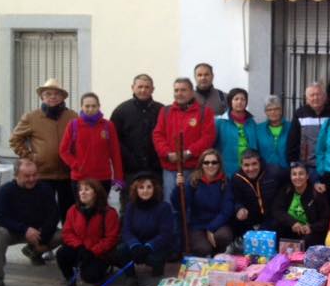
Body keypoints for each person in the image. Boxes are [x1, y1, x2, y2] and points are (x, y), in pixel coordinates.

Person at [9, 77, 77, 219]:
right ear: (42, 97)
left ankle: (69, 240)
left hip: (67, 173)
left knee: (69, 212)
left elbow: (80, 141)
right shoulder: (31, 117)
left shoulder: (72, 116)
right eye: (48, 94)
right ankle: (44, 241)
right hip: (43, 174)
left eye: (56, 94)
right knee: (44, 212)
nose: (52, 97)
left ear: (62, 97)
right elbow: (15, 140)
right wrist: (30, 157)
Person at [0, 159, 61, 286]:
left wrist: (44, 234)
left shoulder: (45, 189)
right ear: (16, 175)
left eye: (34, 175)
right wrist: (25, 229)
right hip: (13, 231)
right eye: (27, 176)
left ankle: (34, 252)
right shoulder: (5, 191)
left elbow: (53, 214)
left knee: (64, 234)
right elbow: (0, 217)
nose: (32, 179)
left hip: (38, 231)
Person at [152, 77, 217, 206]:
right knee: (170, 203)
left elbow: (208, 137)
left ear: (192, 92)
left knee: (193, 204)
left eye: (183, 90)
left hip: (194, 167)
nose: (179, 93)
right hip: (171, 168)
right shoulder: (165, 111)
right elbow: (158, 135)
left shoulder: (204, 112)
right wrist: (167, 153)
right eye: (176, 90)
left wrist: (190, 152)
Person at [55, 179, 120, 286]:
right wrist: (79, 246)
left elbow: (111, 238)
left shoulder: (109, 212)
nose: (82, 192)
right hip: (80, 248)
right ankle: (69, 279)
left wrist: (93, 251)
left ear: (96, 193)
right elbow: (67, 232)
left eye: (87, 189)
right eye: (80, 190)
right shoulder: (73, 210)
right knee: (61, 253)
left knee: (90, 277)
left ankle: (102, 273)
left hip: (98, 253)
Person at [115, 173, 175, 286]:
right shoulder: (131, 206)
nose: (145, 191)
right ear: (136, 190)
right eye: (141, 187)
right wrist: (135, 245)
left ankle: (157, 268)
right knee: (121, 250)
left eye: (149, 187)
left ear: (155, 188)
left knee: (155, 259)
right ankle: (131, 279)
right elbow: (126, 230)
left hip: (155, 245)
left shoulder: (164, 207)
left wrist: (148, 246)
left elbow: (165, 234)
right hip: (137, 243)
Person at [172, 149, 234, 257]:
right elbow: (179, 205)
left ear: (219, 164)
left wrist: (211, 228)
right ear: (201, 164)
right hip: (197, 225)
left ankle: (219, 252)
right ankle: (208, 252)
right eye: (206, 162)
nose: (210, 165)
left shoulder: (225, 182)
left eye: (214, 162)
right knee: (203, 249)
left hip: (217, 224)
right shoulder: (193, 181)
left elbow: (227, 210)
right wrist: (178, 188)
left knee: (224, 236)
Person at [58, 92, 125, 193]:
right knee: (83, 208)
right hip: (80, 178)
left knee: (101, 207)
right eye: (87, 106)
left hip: (103, 177)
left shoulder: (108, 125)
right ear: (81, 107)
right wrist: (76, 165)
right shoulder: (73, 125)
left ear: (99, 106)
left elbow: (115, 153)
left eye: (94, 106)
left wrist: (118, 177)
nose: (90, 109)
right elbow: (63, 151)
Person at [111, 74, 164, 186]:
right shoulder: (121, 111)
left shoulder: (162, 110)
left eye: (147, 87)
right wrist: (128, 158)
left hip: (156, 169)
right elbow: (114, 139)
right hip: (130, 171)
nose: (143, 90)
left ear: (152, 89)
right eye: (140, 87)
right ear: (133, 87)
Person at [271, 161, 330, 246]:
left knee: (308, 240)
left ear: (307, 176)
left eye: (301, 174)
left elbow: (325, 220)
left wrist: (311, 227)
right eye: (294, 174)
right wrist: (292, 222)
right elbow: (277, 210)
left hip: (310, 231)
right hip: (292, 227)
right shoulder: (286, 190)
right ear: (290, 177)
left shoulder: (316, 193)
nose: (297, 177)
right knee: (275, 227)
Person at [231, 149, 282, 242]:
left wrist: (315, 181)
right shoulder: (236, 178)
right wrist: (239, 208)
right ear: (241, 165)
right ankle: (239, 244)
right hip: (250, 219)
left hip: (272, 217)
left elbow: (291, 179)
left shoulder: (274, 172)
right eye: (246, 165)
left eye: (254, 164)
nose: (251, 169)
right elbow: (236, 199)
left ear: (260, 162)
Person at [285, 82, 330, 179]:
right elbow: (293, 141)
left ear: (325, 97)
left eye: (318, 94)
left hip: (329, 165)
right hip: (308, 166)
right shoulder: (300, 114)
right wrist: (293, 163)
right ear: (307, 99)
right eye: (312, 95)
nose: (315, 98)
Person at [215, 87, 259, 176]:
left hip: (249, 168)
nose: (239, 102)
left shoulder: (251, 122)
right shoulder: (220, 122)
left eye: (243, 99)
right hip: (227, 168)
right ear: (230, 102)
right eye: (236, 99)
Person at [255, 95, 291, 174]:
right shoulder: (258, 129)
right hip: (264, 173)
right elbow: (255, 152)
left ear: (281, 110)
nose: (273, 112)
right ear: (265, 112)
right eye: (269, 109)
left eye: (276, 109)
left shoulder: (291, 127)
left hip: (287, 172)